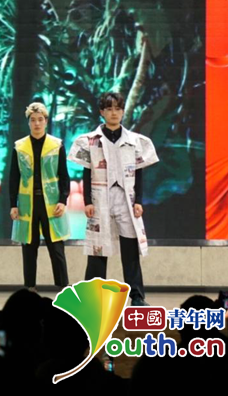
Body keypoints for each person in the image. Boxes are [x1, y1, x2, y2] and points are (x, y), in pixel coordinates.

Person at [68, 91, 159, 306]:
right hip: (100, 197)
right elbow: (87, 171)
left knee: (130, 248)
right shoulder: (90, 141)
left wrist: (139, 201)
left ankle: (136, 296)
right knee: (98, 248)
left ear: (123, 111)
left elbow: (138, 172)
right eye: (109, 109)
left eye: (118, 109)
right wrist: (88, 201)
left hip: (125, 198)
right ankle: (92, 297)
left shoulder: (135, 141)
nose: (114, 113)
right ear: (102, 112)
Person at [9, 102, 70, 291]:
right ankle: (30, 287)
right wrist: (13, 204)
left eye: (40, 119)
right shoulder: (20, 147)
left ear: (46, 121)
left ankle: (63, 287)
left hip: (51, 202)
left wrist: (63, 200)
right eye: (33, 120)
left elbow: (64, 175)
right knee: (29, 246)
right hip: (28, 203)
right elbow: (14, 177)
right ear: (28, 122)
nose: (37, 123)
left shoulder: (56, 145)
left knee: (56, 246)